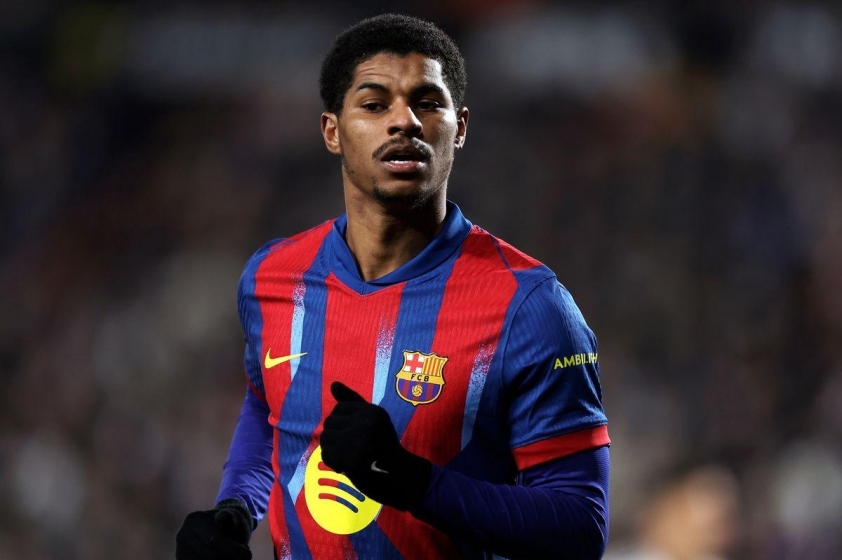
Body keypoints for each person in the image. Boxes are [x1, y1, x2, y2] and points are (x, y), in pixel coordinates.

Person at [176, 13, 610, 560]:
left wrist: (411, 480)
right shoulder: (272, 277)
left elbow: (581, 526)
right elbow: (268, 408)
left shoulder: (530, 306)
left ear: (460, 128)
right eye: (375, 104)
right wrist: (237, 509)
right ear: (332, 131)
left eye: (427, 103)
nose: (404, 121)